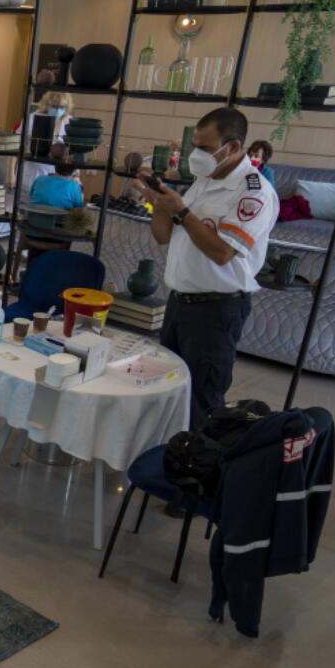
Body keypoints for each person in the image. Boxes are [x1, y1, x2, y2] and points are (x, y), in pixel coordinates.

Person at [134, 107, 279, 428]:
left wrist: (183, 212)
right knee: (166, 388)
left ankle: (195, 472)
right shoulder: (202, 181)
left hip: (216, 311)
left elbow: (223, 252)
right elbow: (163, 236)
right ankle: (167, 459)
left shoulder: (254, 192)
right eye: (195, 146)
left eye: (206, 148)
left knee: (202, 400)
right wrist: (159, 205)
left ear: (234, 148)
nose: (197, 155)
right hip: (179, 303)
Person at [14, 92, 73, 202]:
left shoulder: (69, 123)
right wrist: (11, 176)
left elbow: (73, 152)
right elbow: (15, 146)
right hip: (30, 173)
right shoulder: (32, 119)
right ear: (46, 104)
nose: (58, 110)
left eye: (61, 107)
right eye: (54, 106)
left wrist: (76, 177)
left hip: (55, 177)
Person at [29, 143, 85, 209]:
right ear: (73, 170)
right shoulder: (74, 187)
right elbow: (79, 209)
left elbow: (31, 196)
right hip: (59, 219)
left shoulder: (39, 180)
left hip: (33, 217)